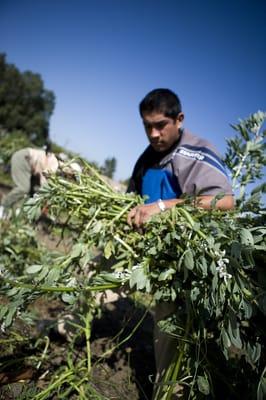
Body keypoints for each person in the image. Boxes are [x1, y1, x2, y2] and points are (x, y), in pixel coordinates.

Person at [126, 88, 234, 395]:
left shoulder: (195, 151)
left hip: (182, 259)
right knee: (100, 270)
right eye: (147, 126)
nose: (154, 133)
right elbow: (131, 200)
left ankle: (166, 390)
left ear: (180, 119)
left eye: (161, 125)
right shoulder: (146, 159)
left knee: (169, 322)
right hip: (146, 253)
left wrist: (161, 208)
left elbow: (224, 201)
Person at [1, 144, 58, 210]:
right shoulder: (54, 164)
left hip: (26, 161)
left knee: (32, 189)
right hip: (24, 158)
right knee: (25, 188)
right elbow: (44, 178)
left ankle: (21, 210)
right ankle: (3, 205)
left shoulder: (52, 159)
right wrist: (46, 194)